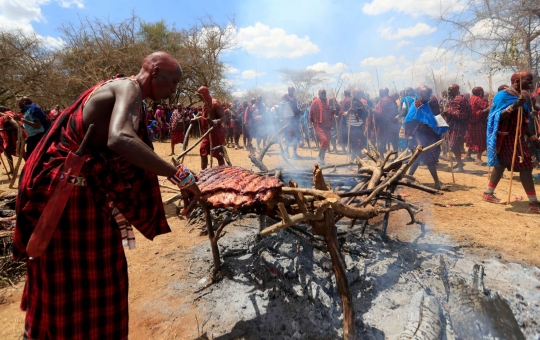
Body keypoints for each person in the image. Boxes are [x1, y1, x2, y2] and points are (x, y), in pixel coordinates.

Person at [14, 52, 201, 339]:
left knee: (69, 277)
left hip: (73, 190)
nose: (174, 90)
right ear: (153, 71)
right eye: (172, 82)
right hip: (72, 197)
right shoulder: (128, 88)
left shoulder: (123, 89)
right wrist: (178, 175)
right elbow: (119, 138)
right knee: (92, 279)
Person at [484, 71, 540, 212]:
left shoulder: (522, 96)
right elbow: (495, 118)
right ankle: (534, 203)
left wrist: (532, 137)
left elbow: (522, 122)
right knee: (526, 166)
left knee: (501, 164)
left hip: (519, 137)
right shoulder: (503, 96)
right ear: (516, 82)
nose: (531, 83)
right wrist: (513, 106)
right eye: (528, 80)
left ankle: (488, 193)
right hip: (506, 137)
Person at [405, 86, 448, 190]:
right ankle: (437, 183)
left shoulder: (431, 102)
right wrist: (413, 138)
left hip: (432, 134)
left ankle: (409, 177)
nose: (429, 97)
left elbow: (436, 116)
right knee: (430, 158)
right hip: (420, 135)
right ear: (419, 94)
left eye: (429, 94)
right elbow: (410, 122)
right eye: (426, 95)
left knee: (418, 156)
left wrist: (443, 118)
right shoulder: (416, 106)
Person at [442, 84, 472, 172]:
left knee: (453, 145)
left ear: (456, 90)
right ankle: (459, 163)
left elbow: (459, 114)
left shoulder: (458, 99)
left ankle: (460, 166)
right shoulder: (458, 98)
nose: (448, 91)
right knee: (456, 145)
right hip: (455, 125)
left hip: (458, 125)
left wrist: (447, 113)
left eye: (450, 89)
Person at [197, 86, 225, 169]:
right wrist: (196, 119)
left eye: (199, 95)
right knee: (203, 152)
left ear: (204, 94)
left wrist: (214, 122)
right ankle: (204, 174)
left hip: (215, 132)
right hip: (207, 134)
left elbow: (223, 118)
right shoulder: (205, 104)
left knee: (219, 155)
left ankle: (223, 174)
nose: (199, 98)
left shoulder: (215, 103)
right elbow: (205, 117)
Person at [465, 87, 490, 164]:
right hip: (478, 123)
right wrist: (489, 107)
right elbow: (485, 106)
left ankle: (468, 155)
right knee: (480, 140)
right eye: (482, 92)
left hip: (470, 123)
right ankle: (478, 158)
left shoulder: (471, 99)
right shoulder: (478, 99)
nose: (482, 93)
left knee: (472, 139)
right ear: (479, 92)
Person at [342, 88, 369, 161]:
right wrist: (348, 112)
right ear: (355, 94)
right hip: (352, 126)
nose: (361, 95)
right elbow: (342, 113)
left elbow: (364, 114)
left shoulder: (360, 102)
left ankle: (358, 161)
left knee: (361, 143)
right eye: (359, 93)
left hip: (359, 126)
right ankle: (351, 161)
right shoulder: (348, 102)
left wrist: (366, 110)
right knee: (356, 144)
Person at [310, 89, 333, 164]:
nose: (323, 94)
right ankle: (319, 156)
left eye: (324, 93)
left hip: (326, 125)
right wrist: (311, 124)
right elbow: (311, 113)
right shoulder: (315, 102)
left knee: (328, 139)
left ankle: (322, 159)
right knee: (324, 139)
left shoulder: (326, 102)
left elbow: (329, 112)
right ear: (319, 93)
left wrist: (333, 112)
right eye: (322, 93)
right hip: (318, 124)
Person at [279, 86, 302, 158]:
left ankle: (294, 153)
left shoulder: (295, 99)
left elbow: (297, 108)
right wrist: (281, 118)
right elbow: (281, 109)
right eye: (291, 90)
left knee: (296, 136)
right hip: (287, 121)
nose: (293, 91)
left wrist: (300, 111)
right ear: (288, 90)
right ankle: (286, 150)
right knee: (289, 136)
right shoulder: (284, 98)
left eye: (293, 90)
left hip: (295, 120)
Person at [374, 87, 400, 153]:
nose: (379, 93)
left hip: (385, 124)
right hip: (393, 123)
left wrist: (372, 110)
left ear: (383, 92)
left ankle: (381, 157)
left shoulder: (384, 100)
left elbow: (381, 113)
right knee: (394, 140)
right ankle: (396, 156)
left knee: (381, 140)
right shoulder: (392, 99)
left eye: (380, 92)